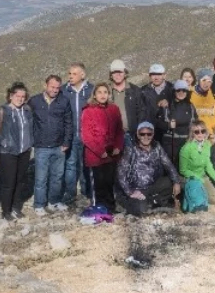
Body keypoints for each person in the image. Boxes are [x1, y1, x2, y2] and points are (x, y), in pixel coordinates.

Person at [117, 122, 181, 216]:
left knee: (171, 182)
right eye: (142, 134)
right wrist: (130, 192)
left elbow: (168, 165)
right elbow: (121, 172)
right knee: (141, 210)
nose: (146, 137)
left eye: (149, 134)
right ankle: (147, 203)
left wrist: (176, 182)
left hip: (153, 187)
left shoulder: (157, 147)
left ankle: (153, 201)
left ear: (153, 134)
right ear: (138, 135)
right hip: (137, 189)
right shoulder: (131, 149)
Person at [29, 74, 71, 215]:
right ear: (45, 85)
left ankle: (54, 201)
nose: (55, 90)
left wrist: (66, 142)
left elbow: (68, 123)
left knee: (57, 177)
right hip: (41, 147)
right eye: (52, 87)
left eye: (58, 88)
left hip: (59, 146)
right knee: (41, 178)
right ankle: (39, 204)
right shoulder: (34, 101)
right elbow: (28, 121)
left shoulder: (64, 101)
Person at [0, 82, 35, 221]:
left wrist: (30, 144)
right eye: (17, 95)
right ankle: (6, 210)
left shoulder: (27, 110)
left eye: (23, 96)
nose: (20, 98)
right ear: (11, 96)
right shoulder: (2, 111)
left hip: (24, 150)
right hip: (8, 152)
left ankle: (16, 207)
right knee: (9, 182)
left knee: (20, 181)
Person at [80, 83, 124, 211]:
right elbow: (87, 136)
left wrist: (118, 146)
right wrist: (100, 151)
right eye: (99, 92)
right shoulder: (88, 111)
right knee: (98, 183)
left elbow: (119, 131)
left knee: (110, 181)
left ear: (109, 94)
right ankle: (98, 208)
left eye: (105, 92)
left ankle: (110, 207)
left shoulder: (114, 109)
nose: (102, 95)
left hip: (112, 154)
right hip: (96, 155)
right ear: (94, 94)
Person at [61, 63, 94, 207]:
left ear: (82, 75)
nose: (70, 77)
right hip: (70, 135)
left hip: (87, 135)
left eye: (73, 74)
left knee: (87, 165)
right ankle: (70, 194)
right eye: (69, 73)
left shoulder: (92, 90)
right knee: (70, 165)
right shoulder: (64, 91)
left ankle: (87, 193)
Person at [180, 121, 215, 211]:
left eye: (203, 131)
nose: (200, 134)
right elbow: (183, 170)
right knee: (197, 201)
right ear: (192, 133)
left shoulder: (207, 145)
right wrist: (197, 178)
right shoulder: (186, 148)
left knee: (212, 199)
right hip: (191, 177)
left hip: (203, 176)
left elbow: (208, 164)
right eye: (197, 132)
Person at [161, 79, 196, 170]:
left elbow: (195, 122)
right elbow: (157, 124)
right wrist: (168, 125)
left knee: (186, 168)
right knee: (171, 169)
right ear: (174, 91)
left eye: (184, 90)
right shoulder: (166, 105)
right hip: (171, 142)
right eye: (178, 90)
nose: (181, 92)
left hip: (186, 141)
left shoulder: (191, 106)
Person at [107, 59, 141, 138]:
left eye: (120, 72)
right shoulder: (106, 91)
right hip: (112, 136)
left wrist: (139, 132)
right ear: (111, 75)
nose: (117, 75)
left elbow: (141, 113)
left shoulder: (135, 90)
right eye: (114, 72)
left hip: (132, 134)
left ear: (125, 73)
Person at [190, 69, 215, 139]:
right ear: (199, 81)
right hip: (196, 135)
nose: (206, 84)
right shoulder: (190, 94)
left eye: (209, 81)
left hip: (211, 135)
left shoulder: (214, 96)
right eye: (204, 80)